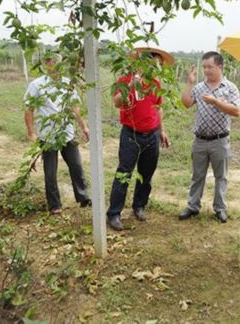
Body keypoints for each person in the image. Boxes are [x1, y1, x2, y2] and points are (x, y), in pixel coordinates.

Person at [106, 48, 172, 231]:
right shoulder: (125, 80)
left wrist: (162, 131)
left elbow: (158, 108)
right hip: (131, 134)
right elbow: (117, 102)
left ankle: (139, 206)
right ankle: (114, 213)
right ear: (143, 63)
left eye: (159, 65)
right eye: (154, 64)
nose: (157, 68)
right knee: (124, 173)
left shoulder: (156, 84)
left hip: (151, 135)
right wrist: (132, 87)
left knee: (146, 173)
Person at [24, 52, 92, 215]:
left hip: (67, 132)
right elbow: (29, 109)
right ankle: (54, 204)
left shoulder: (68, 84)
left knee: (76, 166)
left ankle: (83, 197)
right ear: (45, 64)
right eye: (49, 62)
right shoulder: (37, 85)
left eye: (56, 62)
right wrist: (31, 133)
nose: (52, 65)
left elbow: (74, 108)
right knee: (50, 171)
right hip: (47, 135)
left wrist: (84, 127)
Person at [179, 51, 240, 223]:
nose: (206, 70)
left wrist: (216, 102)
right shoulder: (199, 87)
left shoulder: (230, 88)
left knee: (221, 176)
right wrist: (189, 83)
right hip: (200, 140)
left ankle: (220, 208)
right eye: (204, 67)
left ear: (220, 67)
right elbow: (186, 103)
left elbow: (236, 111)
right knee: (197, 175)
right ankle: (192, 206)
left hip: (220, 140)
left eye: (210, 67)